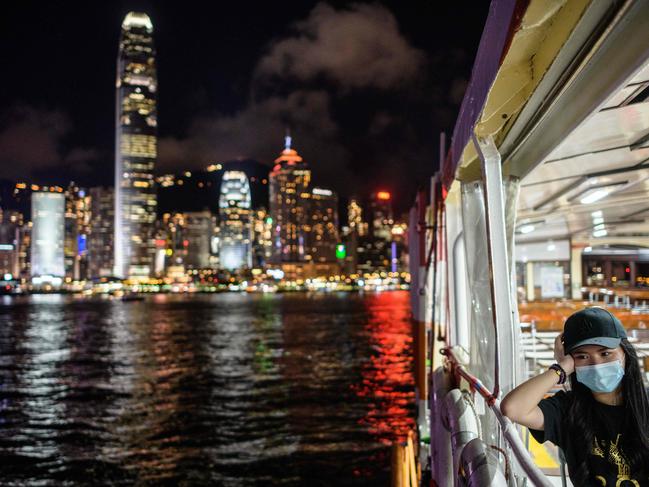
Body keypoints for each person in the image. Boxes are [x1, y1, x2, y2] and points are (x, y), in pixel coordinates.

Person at [501, 307, 649, 485]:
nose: (596, 364)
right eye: (582, 356)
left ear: (625, 353)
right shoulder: (567, 409)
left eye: (605, 353)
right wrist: (561, 368)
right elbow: (513, 408)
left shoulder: (645, 404)